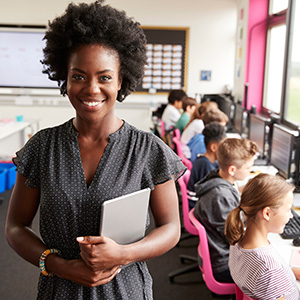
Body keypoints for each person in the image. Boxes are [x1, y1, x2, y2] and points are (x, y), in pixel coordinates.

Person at [5, 2, 186, 299]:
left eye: (104, 77)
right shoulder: (42, 147)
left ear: (121, 81)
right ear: (64, 77)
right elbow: (15, 227)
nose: (91, 89)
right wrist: (58, 265)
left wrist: (124, 254)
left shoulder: (148, 149)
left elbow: (170, 228)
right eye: (79, 76)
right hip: (59, 290)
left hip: (126, 291)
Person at [225, 173, 300, 299]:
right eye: (288, 210)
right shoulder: (270, 269)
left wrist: (289, 272)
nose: (291, 216)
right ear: (267, 213)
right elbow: (270, 275)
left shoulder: (237, 238)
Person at [194, 138, 258, 283]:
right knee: (275, 274)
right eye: (248, 168)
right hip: (224, 264)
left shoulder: (218, 181)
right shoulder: (220, 196)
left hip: (222, 254)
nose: (250, 171)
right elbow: (236, 237)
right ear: (232, 170)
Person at [187, 122, 226, 209]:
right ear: (214, 147)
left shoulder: (206, 161)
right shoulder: (204, 165)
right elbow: (214, 193)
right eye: (223, 145)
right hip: (198, 208)